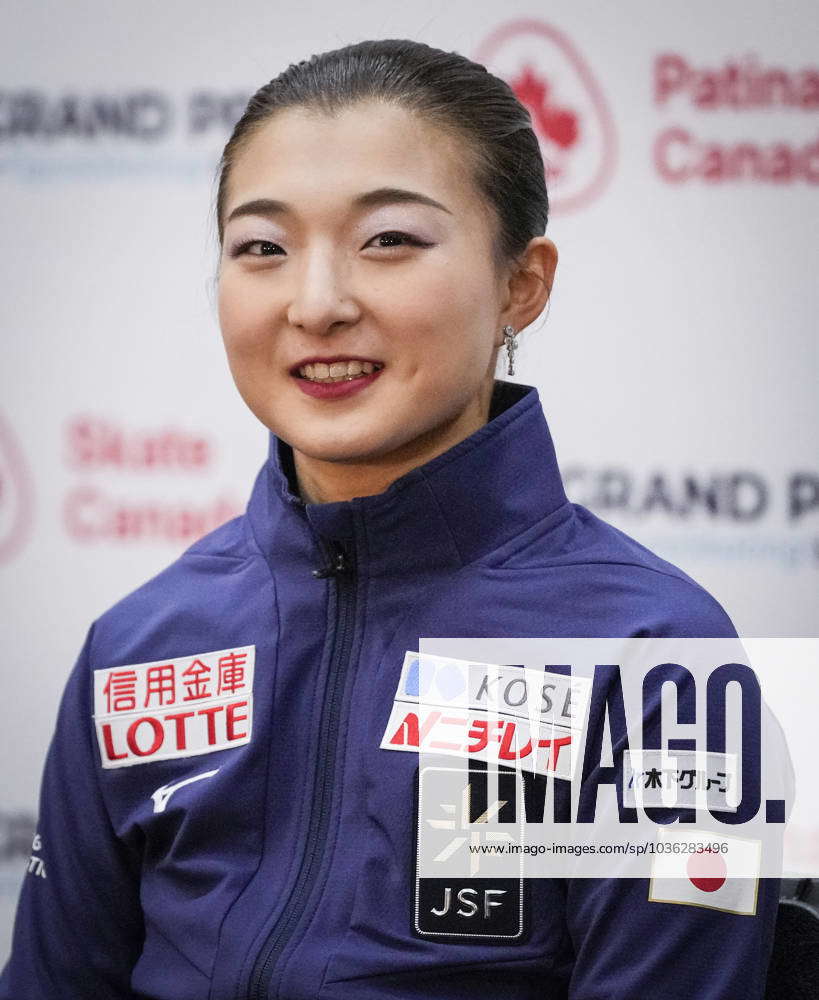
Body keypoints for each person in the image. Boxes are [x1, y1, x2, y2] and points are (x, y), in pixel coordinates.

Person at [0, 38, 778, 1000]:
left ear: (519, 284)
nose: (316, 304)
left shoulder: (668, 658)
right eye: (262, 249)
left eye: (389, 241)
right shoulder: (139, 643)